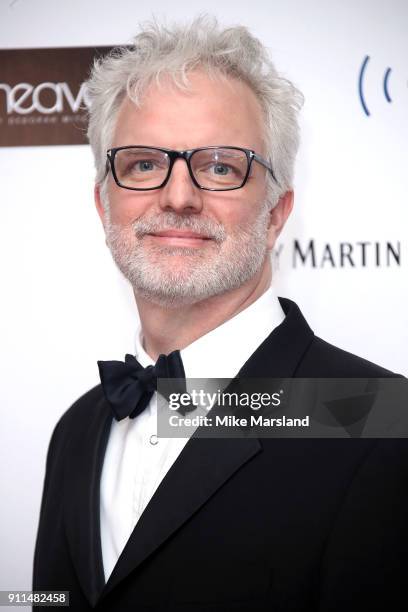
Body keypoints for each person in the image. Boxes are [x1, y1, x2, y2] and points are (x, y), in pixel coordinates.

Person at [33, 16, 407, 612]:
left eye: (220, 167)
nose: (178, 196)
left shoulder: (382, 425)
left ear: (277, 213)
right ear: (104, 205)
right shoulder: (76, 430)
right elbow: (46, 600)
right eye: (143, 164)